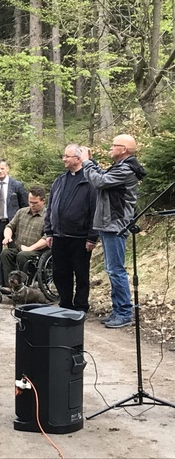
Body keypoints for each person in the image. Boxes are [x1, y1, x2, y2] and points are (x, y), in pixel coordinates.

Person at [79, 135, 146, 328]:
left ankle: (124, 313)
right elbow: (102, 178)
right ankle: (118, 310)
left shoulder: (126, 169)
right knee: (112, 269)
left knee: (116, 270)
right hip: (109, 223)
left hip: (115, 224)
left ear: (123, 149)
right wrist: (90, 162)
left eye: (113, 145)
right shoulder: (121, 166)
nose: (110, 148)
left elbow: (99, 182)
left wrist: (86, 163)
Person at [44, 144, 98, 313]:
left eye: (67, 156)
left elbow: (95, 209)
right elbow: (51, 206)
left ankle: (81, 306)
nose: (64, 159)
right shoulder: (59, 181)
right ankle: (65, 303)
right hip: (59, 235)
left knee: (81, 274)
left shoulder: (89, 180)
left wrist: (92, 236)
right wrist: (49, 231)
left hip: (80, 237)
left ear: (77, 158)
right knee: (60, 272)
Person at [0, 159, 28, 295]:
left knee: (12, 254)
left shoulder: (17, 185)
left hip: (12, 224)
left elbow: (24, 205)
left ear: (7, 169)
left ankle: (15, 284)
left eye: (2, 169)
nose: (0, 171)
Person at [0, 187, 48, 289]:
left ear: (43, 201)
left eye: (35, 202)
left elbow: (47, 237)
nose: (32, 205)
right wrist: (7, 236)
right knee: (6, 253)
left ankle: (22, 284)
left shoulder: (48, 216)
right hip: (20, 247)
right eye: (30, 202)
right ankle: (9, 285)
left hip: (38, 251)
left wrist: (31, 248)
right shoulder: (21, 212)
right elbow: (9, 226)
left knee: (23, 256)